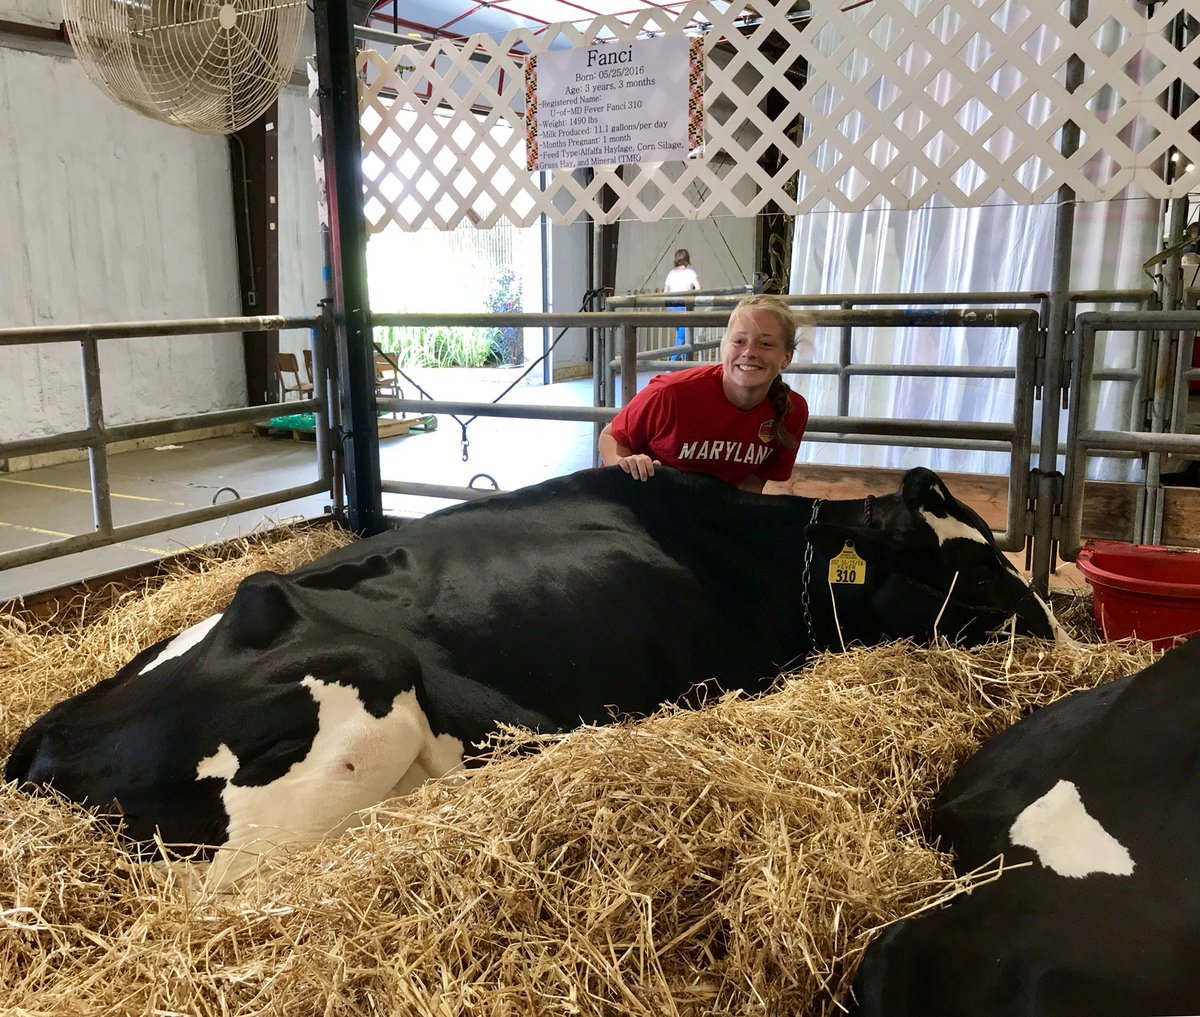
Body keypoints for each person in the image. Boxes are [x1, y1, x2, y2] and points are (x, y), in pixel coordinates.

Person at [599, 294, 808, 494]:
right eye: (739, 342)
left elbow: (753, 485)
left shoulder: (792, 411)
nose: (750, 352)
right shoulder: (671, 393)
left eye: (766, 344)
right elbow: (610, 436)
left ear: (786, 358)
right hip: (643, 502)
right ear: (723, 347)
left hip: (709, 513)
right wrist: (623, 465)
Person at [663, 248, 701, 354]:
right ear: (687, 259)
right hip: (683, 305)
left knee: (681, 334)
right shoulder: (690, 273)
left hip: (671, 306)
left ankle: (682, 364)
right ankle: (672, 362)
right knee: (682, 336)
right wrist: (691, 293)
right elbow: (698, 288)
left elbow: (665, 291)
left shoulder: (671, 274)